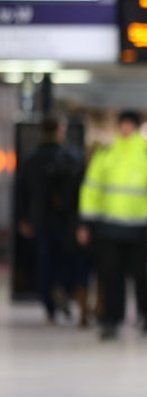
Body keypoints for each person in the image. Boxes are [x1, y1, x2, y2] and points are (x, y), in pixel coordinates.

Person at [78, 110, 147, 341]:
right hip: (109, 225)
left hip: (139, 225)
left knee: (140, 275)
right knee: (111, 275)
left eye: (129, 125)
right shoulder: (107, 153)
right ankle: (112, 319)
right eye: (123, 124)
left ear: (136, 127)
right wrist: (86, 221)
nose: (125, 128)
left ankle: (146, 314)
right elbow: (92, 188)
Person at [17, 115, 90, 327]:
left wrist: (24, 218)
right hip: (66, 220)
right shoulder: (69, 157)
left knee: (45, 260)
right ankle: (64, 290)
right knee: (68, 259)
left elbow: (22, 192)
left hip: (39, 218)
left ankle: (50, 305)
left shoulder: (32, 160)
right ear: (60, 130)